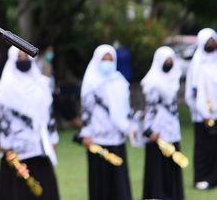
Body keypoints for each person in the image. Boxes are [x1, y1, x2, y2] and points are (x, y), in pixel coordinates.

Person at [0, 46, 59, 200]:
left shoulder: (42, 84)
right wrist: (6, 144)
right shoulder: (5, 86)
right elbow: (4, 118)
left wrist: (53, 137)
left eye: (26, 56)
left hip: (40, 148)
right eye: (20, 56)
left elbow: (49, 113)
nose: (24, 59)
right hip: (16, 151)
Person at [79, 44, 132, 200]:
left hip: (117, 137)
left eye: (110, 59)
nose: (107, 63)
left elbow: (125, 107)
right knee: (100, 181)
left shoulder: (120, 81)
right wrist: (86, 133)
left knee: (118, 180)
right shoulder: (90, 83)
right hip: (97, 139)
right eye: (104, 59)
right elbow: (86, 112)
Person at [140, 46, 184, 200]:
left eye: (171, 60)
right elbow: (150, 109)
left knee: (172, 164)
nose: (169, 63)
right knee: (158, 166)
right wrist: (149, 130)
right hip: (157, 130)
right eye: (166, 61)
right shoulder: (152, 82)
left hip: (172, 128)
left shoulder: (173, 81)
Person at [185, 27, 217, 190]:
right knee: (203, 147)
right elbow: (192, 93)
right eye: (209, 41)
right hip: (202, 116)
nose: (212, 44)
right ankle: (202, 177)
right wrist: (203, 113)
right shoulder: (197, 64)